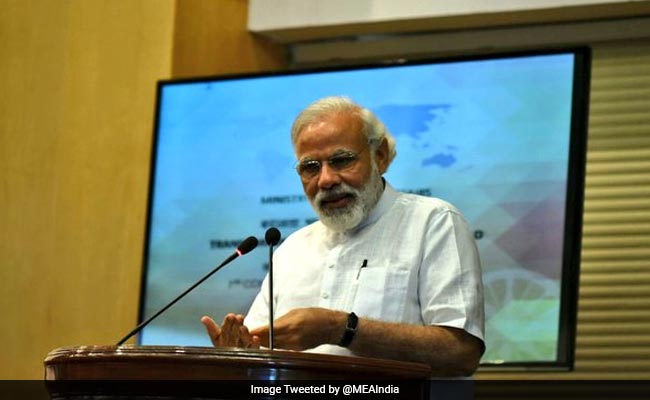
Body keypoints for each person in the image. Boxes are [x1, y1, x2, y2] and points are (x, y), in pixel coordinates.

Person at [201, 96, 485, 377]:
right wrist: (239, 355)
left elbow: (460, 353)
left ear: (381, 156)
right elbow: (260, 352)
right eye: (310, 167)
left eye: (341, 160)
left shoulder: (433, 222)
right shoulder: (292, 249)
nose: (325, 180)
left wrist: (339, 328)